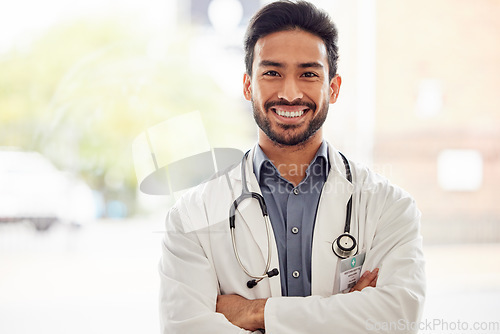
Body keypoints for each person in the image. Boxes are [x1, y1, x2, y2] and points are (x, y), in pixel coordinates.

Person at [159, 1, 425, 333]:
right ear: (247, 85)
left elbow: (396, 318)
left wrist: (256, 313)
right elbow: (186, 328)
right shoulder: (191, 218)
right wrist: (347, 313)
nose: (289, 92)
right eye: (272, 72)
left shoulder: (390, 208)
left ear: (333, 88)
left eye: (308, 74)